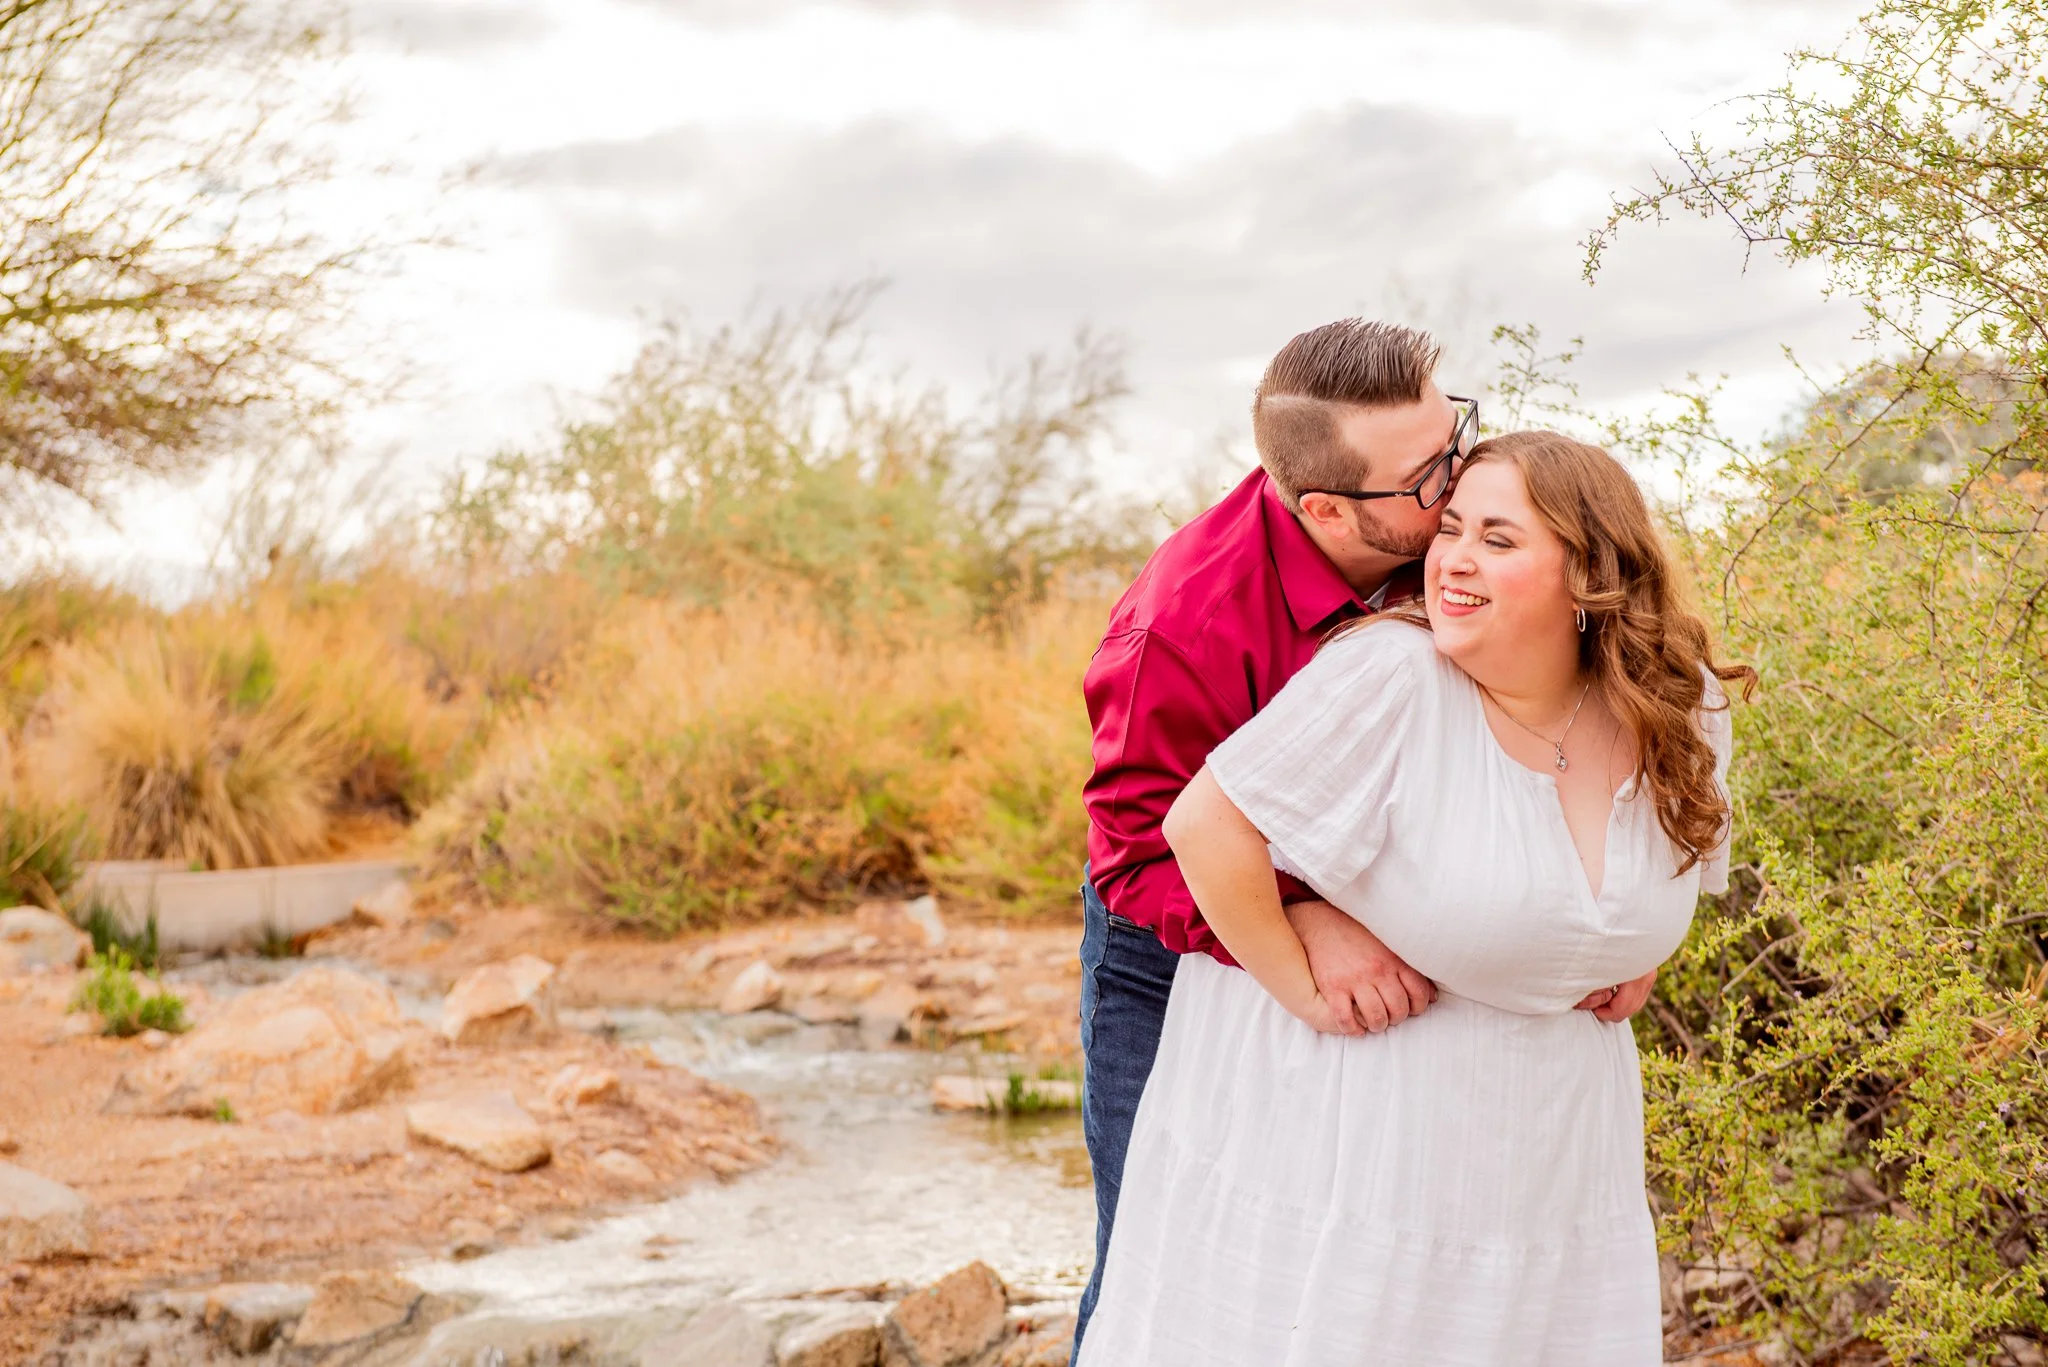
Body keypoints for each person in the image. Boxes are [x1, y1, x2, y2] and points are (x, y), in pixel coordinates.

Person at [1076, 430, 1755, 1365]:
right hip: (1363, 1127)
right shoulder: (1389, 673)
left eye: (1499, 538)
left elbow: (1673, 874)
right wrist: (1299, 975)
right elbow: (1193, 824)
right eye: (1452, 530)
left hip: (1558, 1143)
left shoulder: (1681, 709)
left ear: (1592, 572)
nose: (1453, 556)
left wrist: (1613, 943)